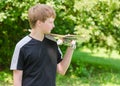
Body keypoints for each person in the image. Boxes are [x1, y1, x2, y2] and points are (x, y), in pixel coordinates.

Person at [10, 3, 76, 86]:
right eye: (50, 22)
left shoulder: (52, 42)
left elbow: (61, 70)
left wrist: (71, 47)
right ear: (39, 23)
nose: (53, 25)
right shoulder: (22, 46)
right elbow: (17, 81)